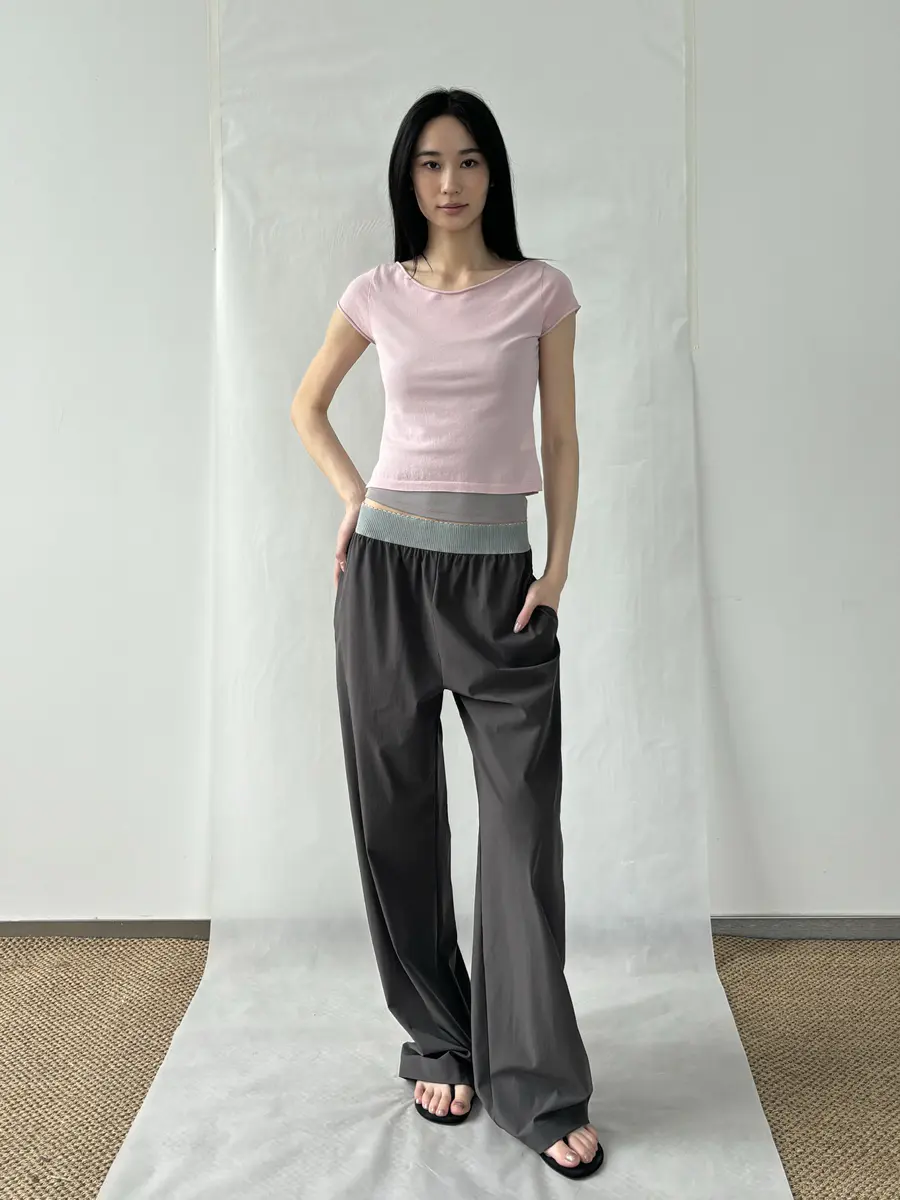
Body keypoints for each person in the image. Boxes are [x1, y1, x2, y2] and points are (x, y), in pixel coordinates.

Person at [291, 88, 604, 1181]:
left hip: (500, 585)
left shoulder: (541, 291)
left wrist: (556, 567)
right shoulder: (375, 293)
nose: (450, 182)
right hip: (384, 573)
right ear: (407, 177)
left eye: (469, 161)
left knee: (521, 833)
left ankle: (537, 1083)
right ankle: (438, 1038)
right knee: (397, 818)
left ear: (493, 173)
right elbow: (307, 405)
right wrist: (353, 496)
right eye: (430, 163)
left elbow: (560, 438)